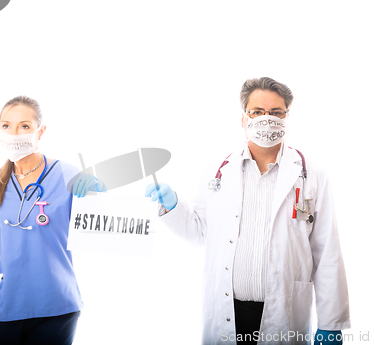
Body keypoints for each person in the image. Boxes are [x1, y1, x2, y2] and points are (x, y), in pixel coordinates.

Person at [145, 77, 350, 345]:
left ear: (287, 118)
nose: (267, 120)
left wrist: (331, 323)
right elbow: (199, 233)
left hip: (283, 311)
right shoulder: (217, 172)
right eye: (257, 112)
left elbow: (327, 251)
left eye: (276, 113)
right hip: (228, 310)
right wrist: (172, 206)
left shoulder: (312, 175)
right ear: (243, 119)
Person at [0, 96, 106, 345]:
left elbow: (102, 230)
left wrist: (99, 194)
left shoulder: (70, 176)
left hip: (55, 307)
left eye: (25, 126)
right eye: (6, 126)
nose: (14, 133)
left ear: (40, 131)